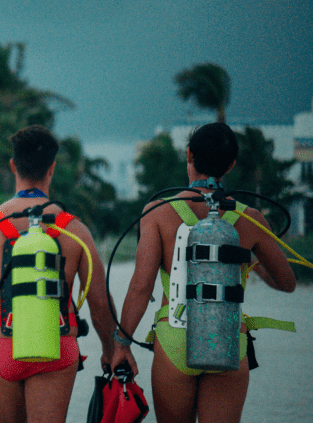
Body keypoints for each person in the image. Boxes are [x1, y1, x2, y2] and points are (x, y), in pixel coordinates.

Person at [110, 122, 297, 423]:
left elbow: (140, 288)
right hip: (229, 340)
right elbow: (287, 283)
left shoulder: (158, 212)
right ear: (231, 164)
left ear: (189, 155)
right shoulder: (251, 218)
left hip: (174, 341)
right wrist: (246, 258)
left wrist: (121, 344)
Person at [0, 125, 116, 423]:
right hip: (57, 349)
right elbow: (100, 304)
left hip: (3, 347)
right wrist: (112, 350)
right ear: (52, 167)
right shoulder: (74, 229)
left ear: (13, 165)